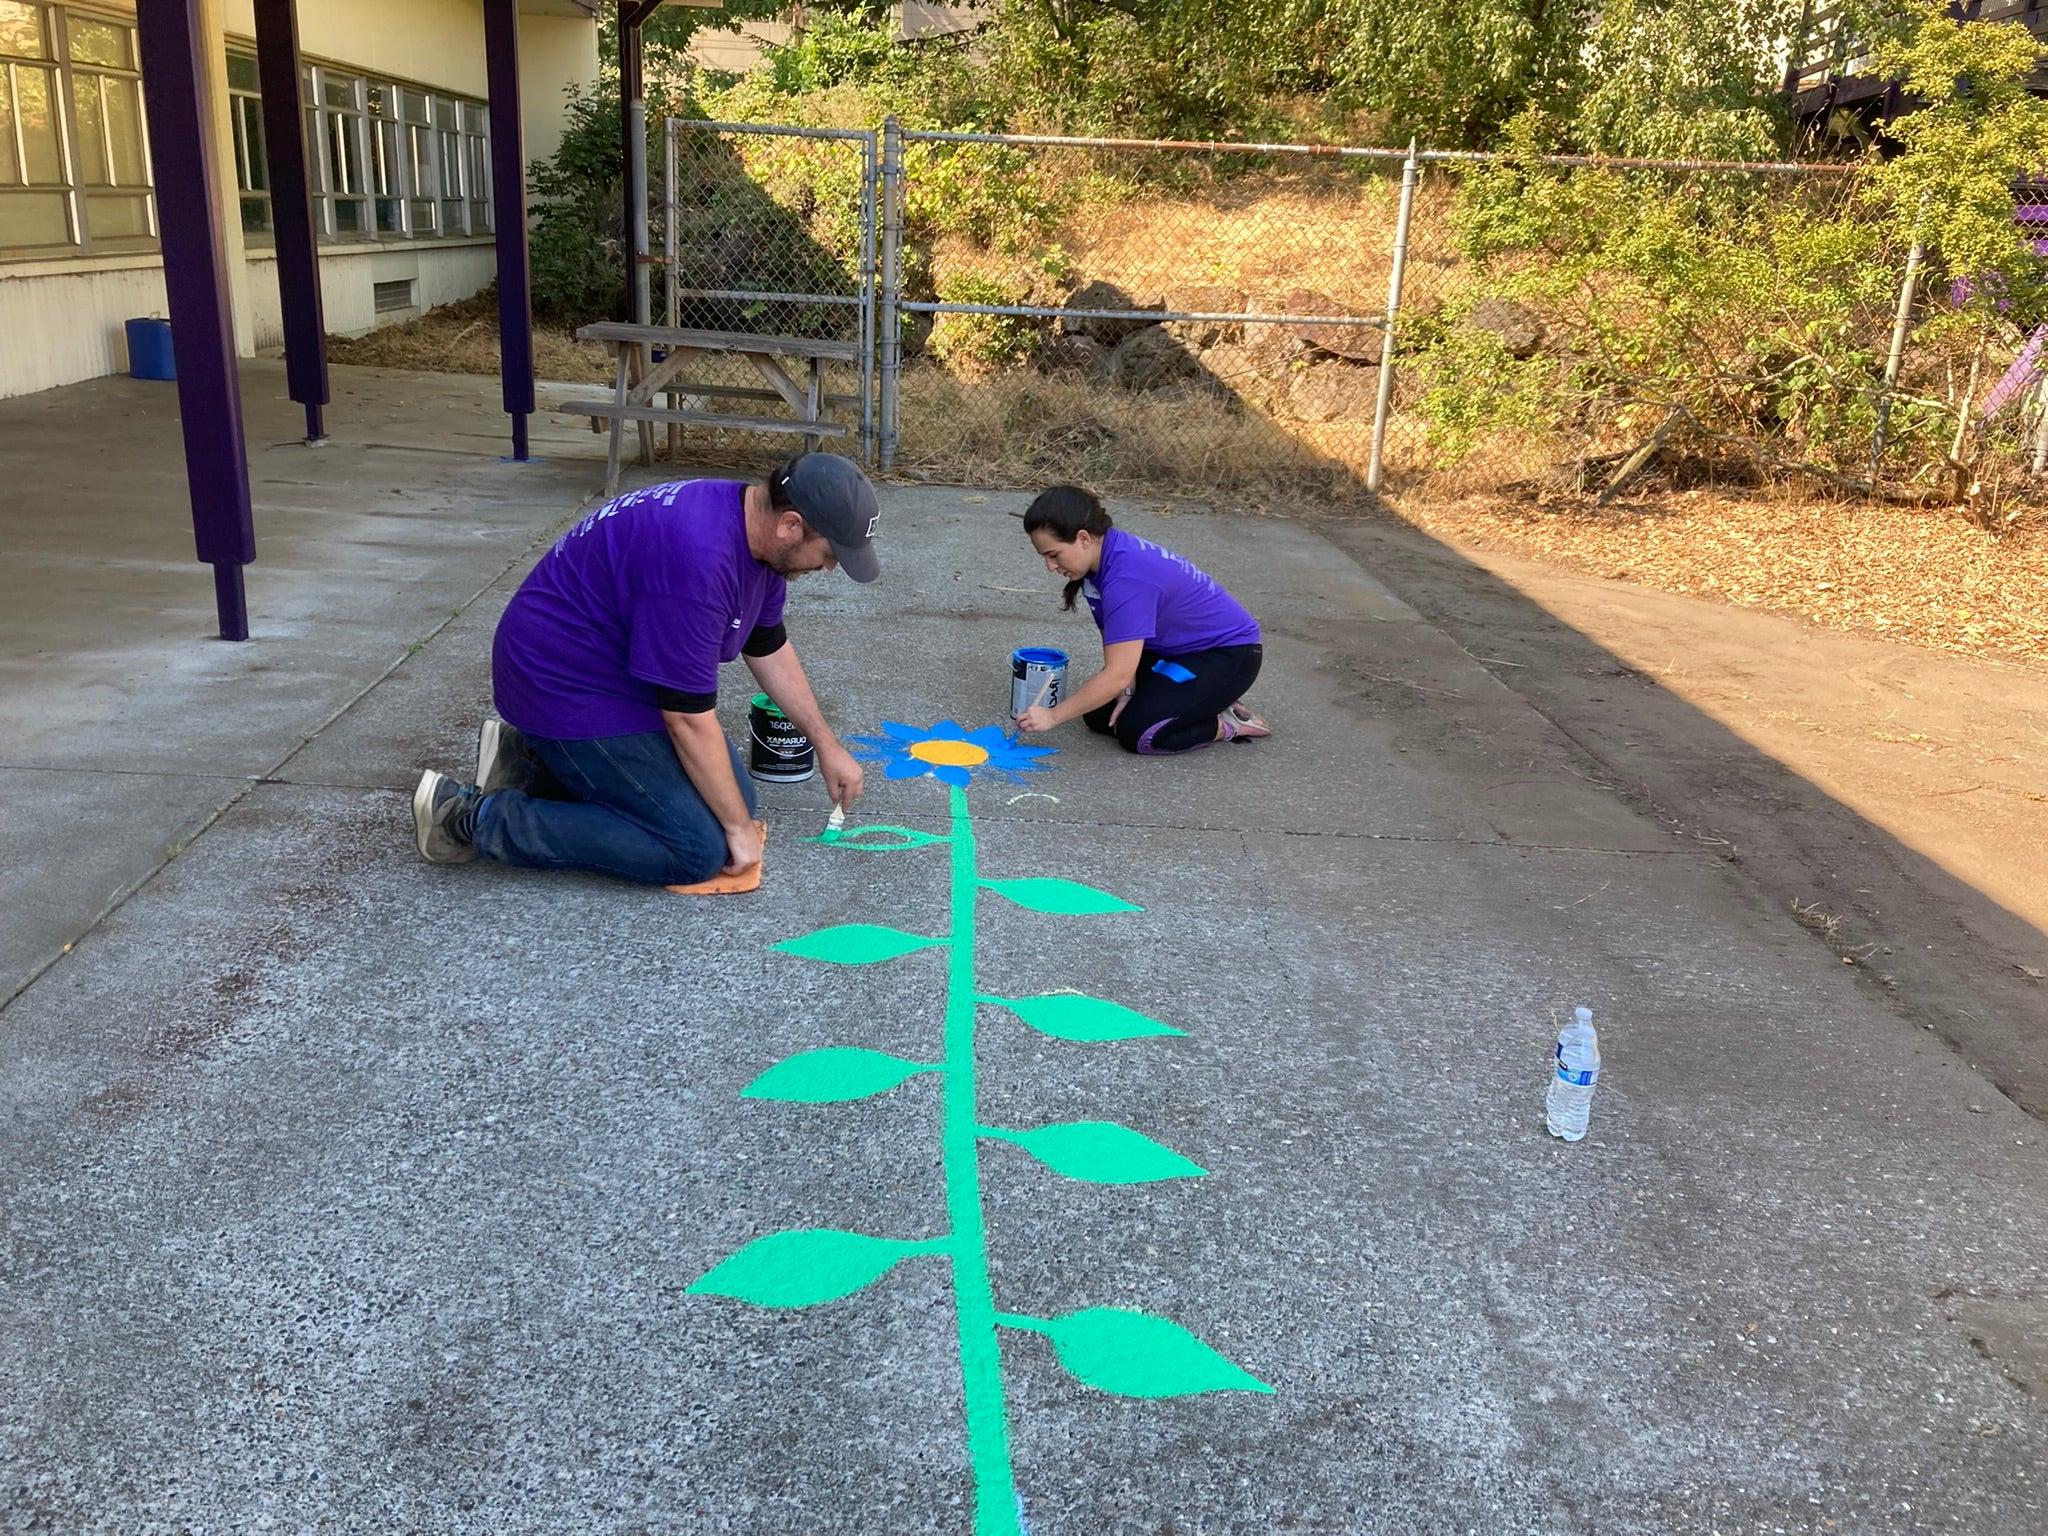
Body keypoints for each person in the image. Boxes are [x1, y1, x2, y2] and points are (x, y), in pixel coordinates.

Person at [408, 453, 879, 885]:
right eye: (830, 554)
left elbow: (767, 642)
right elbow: (687, 719)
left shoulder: (757, 531)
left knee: (734, 804)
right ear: (791, 525)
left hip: (613, 671)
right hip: (558, 684)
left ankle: (529, 760)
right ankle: (469, 817)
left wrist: (826, 744)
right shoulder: (698, 558)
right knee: (696, 848)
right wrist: (737, 831)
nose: (831, 567)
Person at [1013, 485, 1269, 754]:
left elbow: (1117, 674)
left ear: (1084, 538)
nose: (1050, 567)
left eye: (1054, 555)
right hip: (1174, 651)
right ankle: (1199, 701)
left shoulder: (1127, 579)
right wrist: (1126, 688)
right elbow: (1116, 640)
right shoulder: (1100, 558)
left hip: (1227, 655)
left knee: (1141, 733)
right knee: (1099, 715)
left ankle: (1225, 722)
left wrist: (1052, 716)